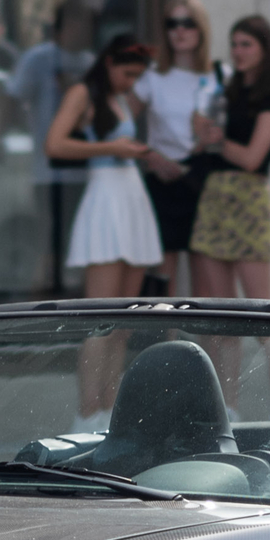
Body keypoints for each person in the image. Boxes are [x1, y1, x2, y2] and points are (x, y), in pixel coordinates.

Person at [49, 36, 161, 425]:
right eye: (127, 73)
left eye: (137, 76)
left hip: (131, 197)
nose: (131, 82)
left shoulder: (119, 97)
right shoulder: (83, 92)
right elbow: (56, 144)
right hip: (105, 199)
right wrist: (111, 148)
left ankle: (109, 414)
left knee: (123, 326)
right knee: (100, 322)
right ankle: (86, 416)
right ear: (109, 62)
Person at [190, 14, 270, 298]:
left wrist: (218, 141)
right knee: (220, 317)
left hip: (249, 198)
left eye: (246, 44)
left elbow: (252, 158)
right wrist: (202, 131)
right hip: (214, 195)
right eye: (234, 44)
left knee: (261, 318)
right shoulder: (227, 91)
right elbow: (203, 144)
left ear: (265, 48)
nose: (238, 52)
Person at [135, 0, 222, 295]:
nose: (180, 31)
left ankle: (209, 342)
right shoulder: (152, 78)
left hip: (202, 176)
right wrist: (149, 156)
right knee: (163, 274)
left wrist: (209, 137)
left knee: (207, 274)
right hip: (162, 176)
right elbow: (118, 123)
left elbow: (230, 132)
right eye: (172, 24)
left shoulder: (217, 77)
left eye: (188, 23)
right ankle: (165, 340)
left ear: (201, 29)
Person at [11, 0, 97, 287]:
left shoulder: (91, 63)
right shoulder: (39, 58)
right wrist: (2, 139)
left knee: (80, 243)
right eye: (85, 23)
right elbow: (12, 98)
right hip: (48, 171)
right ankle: (44, 300)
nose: (89, 30)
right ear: (70, 24)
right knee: (50, 243)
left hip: (84, 169)